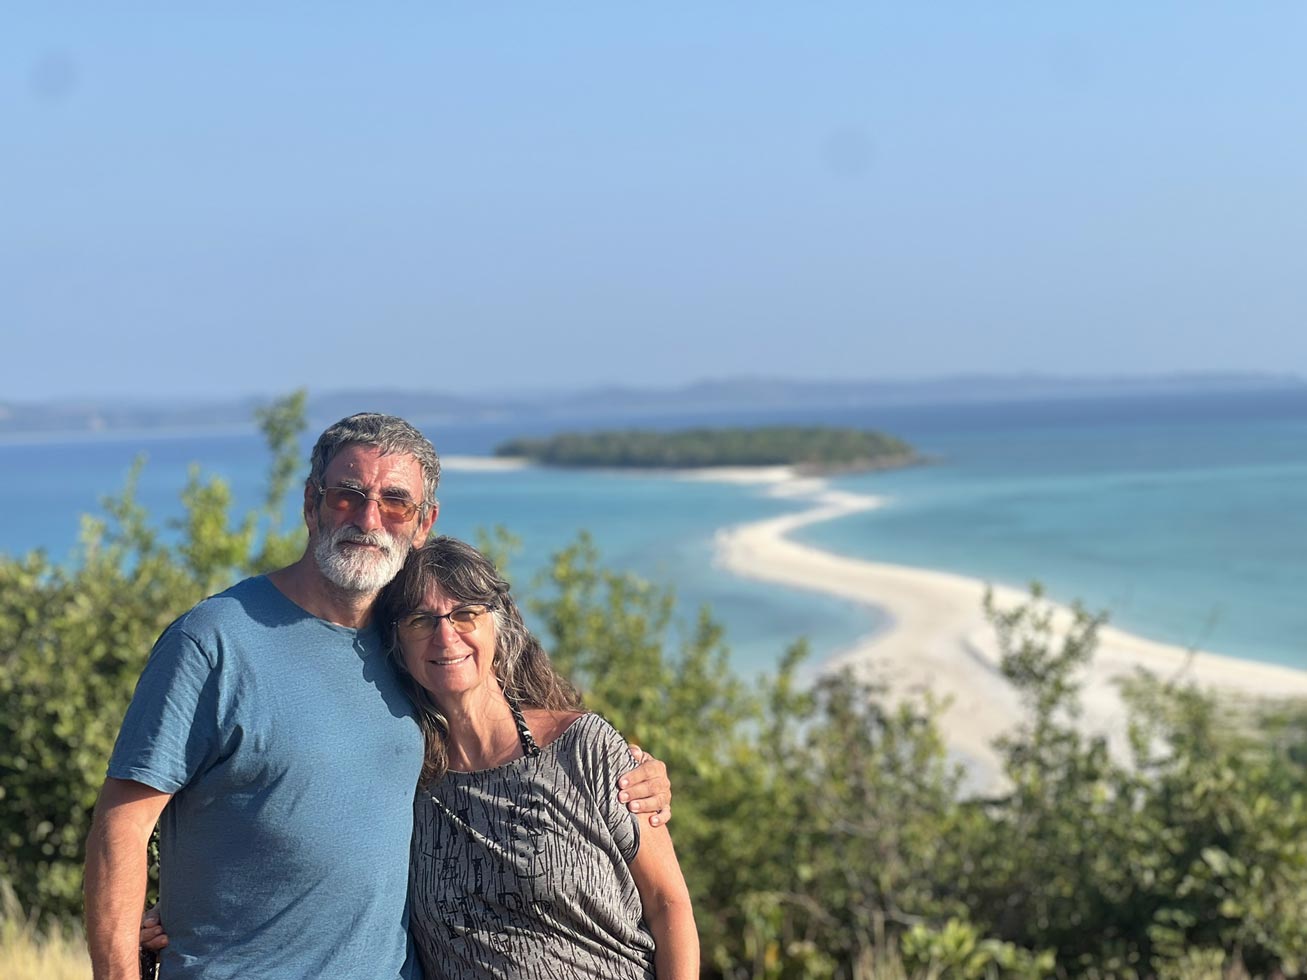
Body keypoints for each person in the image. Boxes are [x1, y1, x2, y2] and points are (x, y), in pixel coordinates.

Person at [85, 413, 670, 980]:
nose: (369, 519)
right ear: (311, 503)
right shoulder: (214, 641)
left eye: (395, 502)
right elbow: (121, 828)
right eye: (348, 495)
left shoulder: (416, 645)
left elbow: (517, 738)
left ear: (423, 523)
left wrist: (633, 773)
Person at [380, 536, 698, 978]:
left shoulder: (582, 749)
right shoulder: (406, 781)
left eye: (466, 613)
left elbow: (668, 902)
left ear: (498, 624)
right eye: (421, 620)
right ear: (398, 644)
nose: (445, 636)